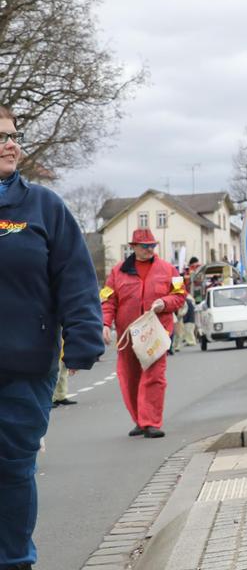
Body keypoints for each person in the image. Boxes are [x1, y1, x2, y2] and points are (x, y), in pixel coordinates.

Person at [0, 106, 104, 570]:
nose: (11, 144)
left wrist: (83, 338)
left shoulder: (43, 207)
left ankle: (14, 559)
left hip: (24, 365)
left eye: (14, 135)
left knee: (12, 467)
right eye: (0, 135)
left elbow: (75, 278)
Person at [101, 228, 187, 438]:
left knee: (154, 375)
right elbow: (108, 299)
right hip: (127, 334)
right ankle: (140, 420)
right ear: (134, 247)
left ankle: (151, 422)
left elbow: (180, 296)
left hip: (156, 333)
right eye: (145, 246)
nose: (149, 249)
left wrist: (164, 303)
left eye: (152, 246)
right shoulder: (117, 271)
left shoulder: (168, 270)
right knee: (130, 377)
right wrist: (105, 324)